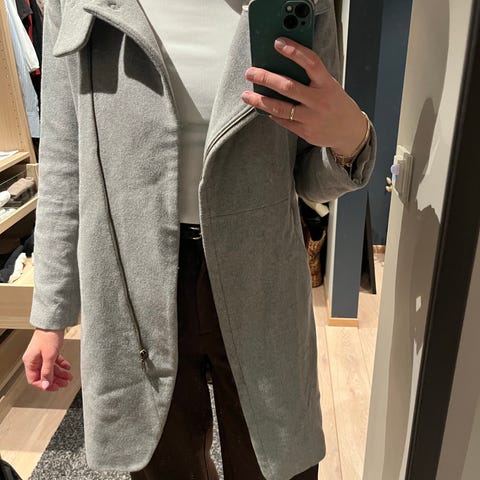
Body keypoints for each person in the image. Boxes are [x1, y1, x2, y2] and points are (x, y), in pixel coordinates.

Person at [21, 0, 376, 479]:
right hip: (129, 283)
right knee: (165, 466)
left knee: (276, 464)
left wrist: (352, 139)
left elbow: (309, 173)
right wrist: (51, 312)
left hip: (262, 274)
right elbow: (65, 160)